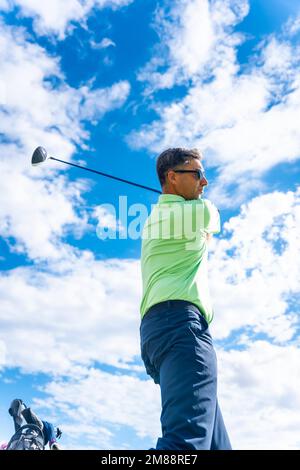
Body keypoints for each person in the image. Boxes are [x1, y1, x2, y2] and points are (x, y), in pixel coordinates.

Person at [140, 148, 232, 450]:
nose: (204, 182)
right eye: (197, 174)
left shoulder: (158, 217)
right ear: (172, 177)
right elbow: (213, 216)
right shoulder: (195, 212)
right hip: (182, 328)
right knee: (184, 447)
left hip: (158, 333)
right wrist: (197, 209)